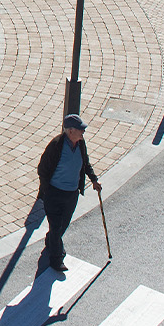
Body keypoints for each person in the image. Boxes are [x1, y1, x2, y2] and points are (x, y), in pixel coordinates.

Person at [36, 114, 101, 275]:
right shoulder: (56, 145)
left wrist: (94, 180)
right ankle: (56, 260)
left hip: (71, 194)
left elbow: (85, 163)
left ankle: (51, 240)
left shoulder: (80, 144)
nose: (83, 132)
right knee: (57, 226)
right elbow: (42, 169)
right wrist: (47, 190)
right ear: (70, 131)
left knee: (63, 225)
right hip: (54, 194)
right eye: (80, 130)